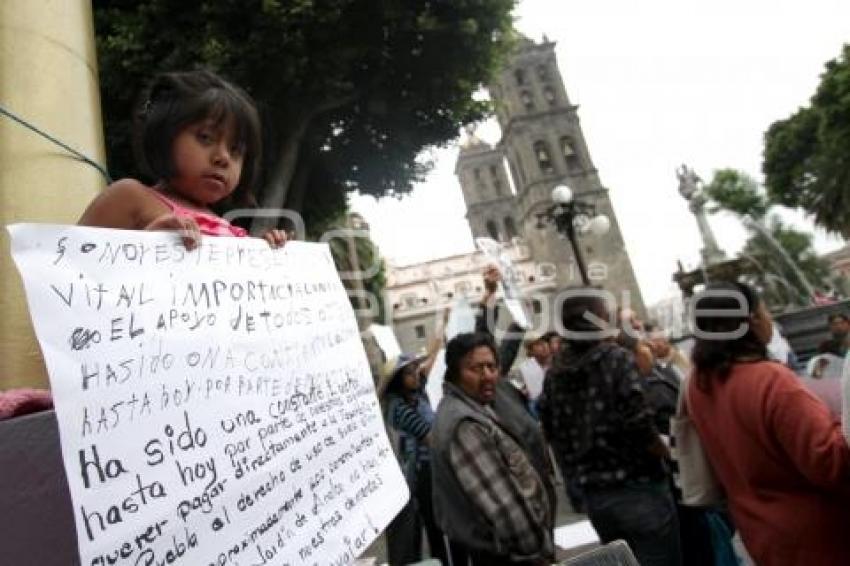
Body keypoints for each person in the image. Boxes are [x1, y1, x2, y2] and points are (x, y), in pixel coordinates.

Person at [688, 281, 850, 565]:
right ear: (752, 320)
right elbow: (832, 464)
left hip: (761, 535)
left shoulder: (699, 385)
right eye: (765, 311)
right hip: (819, 539)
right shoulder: (771, 382)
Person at [539, 290, 681, 566]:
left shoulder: (555, 372)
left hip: (597, 498)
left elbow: (551, 431)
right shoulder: (615, 358)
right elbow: (638, 421)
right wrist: (668, 453)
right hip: (639, 488)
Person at [78, 69, 286, 248]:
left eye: (235, 150)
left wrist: (264, 253)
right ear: (164, 136)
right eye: (205, 138)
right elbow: (69, 265)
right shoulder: (130, 197)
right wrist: (144, 248)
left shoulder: (229, 230)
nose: (223, 158)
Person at [431, 332, 554, 565]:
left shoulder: (474, 407)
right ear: (455, 373)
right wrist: (537, 552)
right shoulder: (464, 425)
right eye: (476, 369)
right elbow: (507, 511)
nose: (487, 376)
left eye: (491, 367)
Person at [378, 351, 449, 566]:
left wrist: (441, 323)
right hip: (416, 476)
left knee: (434, 527)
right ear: (399, 380)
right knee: (426, 529)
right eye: (410, 372)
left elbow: (428, 364)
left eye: (416, 370)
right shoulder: (398, 407)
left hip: (425, 469)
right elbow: (431, 438)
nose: (417, 374)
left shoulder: (413, 395)